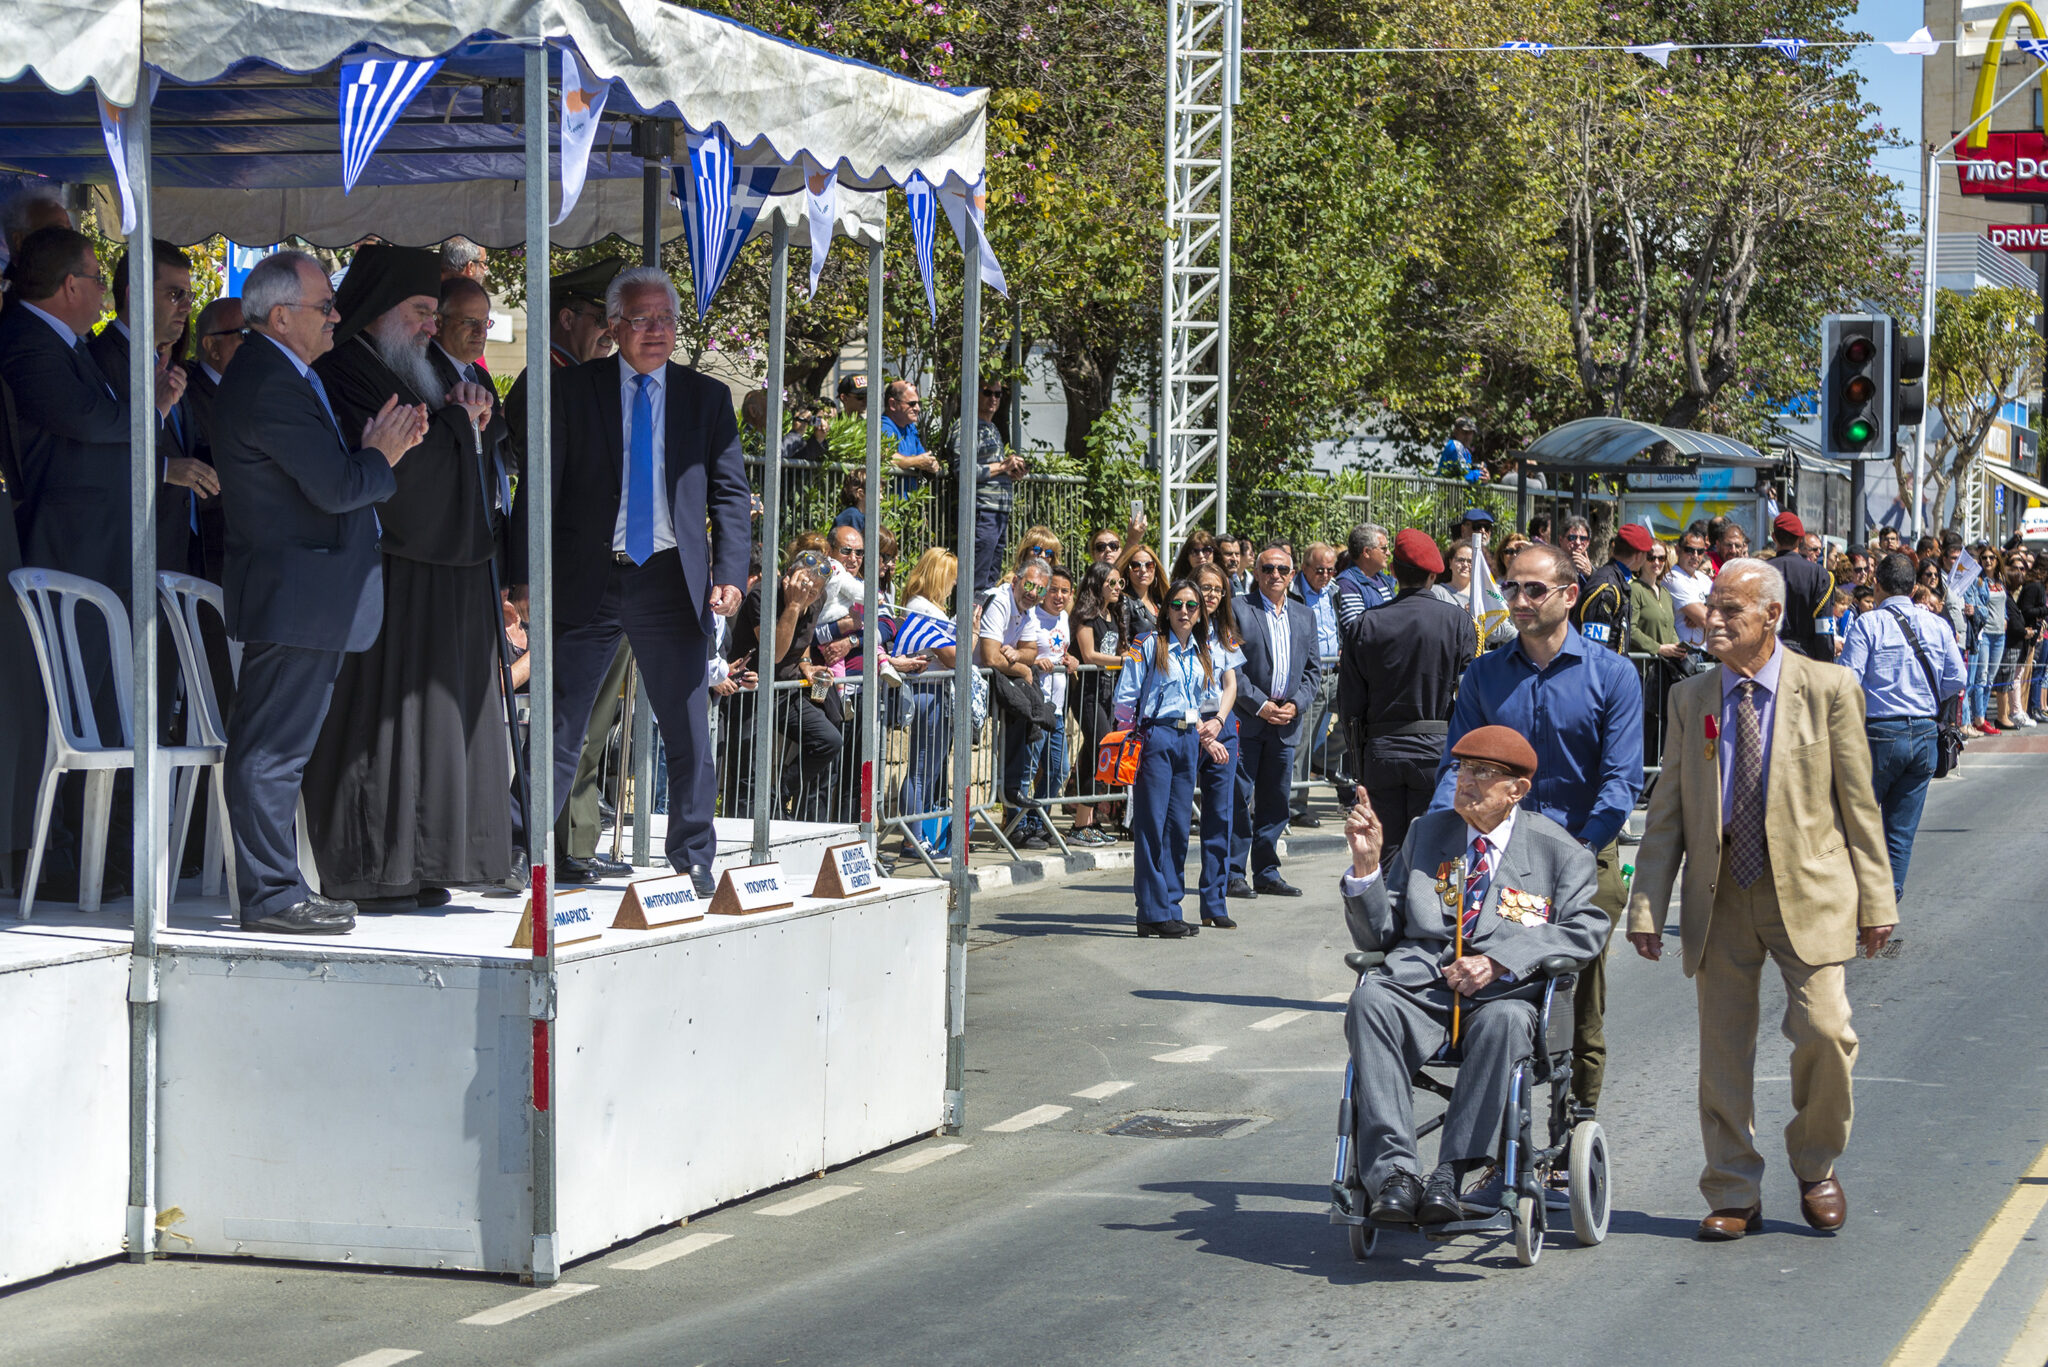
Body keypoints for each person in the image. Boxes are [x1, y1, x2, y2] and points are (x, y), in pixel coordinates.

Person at [1626, 558, 1896, 1240]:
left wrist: (1876, 900)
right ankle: (1733, 1188)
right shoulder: (1692, 699)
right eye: (1710, 608)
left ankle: (1815, 1160)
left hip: (1808, 890)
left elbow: (1859, 803)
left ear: (1771, 616)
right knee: (1722, 1051)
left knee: (1827, 1031)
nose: (1710, 620)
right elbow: (1667, 813)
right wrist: (1647, 904)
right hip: (1721, 896)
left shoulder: (1829, 687)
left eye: (1729, 612)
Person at [212, 249, 428, 933]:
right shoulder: (270, 382)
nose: (336, 315)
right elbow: (336, 487)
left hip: (308, 596)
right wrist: (380, 457)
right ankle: (273, 895)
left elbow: (328, 476)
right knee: (270, 752)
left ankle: (278, 887)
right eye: (324, 306)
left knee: (280, 749)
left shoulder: (280, 372)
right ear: (281, 317)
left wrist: (365, 455)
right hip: (294, 594)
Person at [530, 264, 750, 896]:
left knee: (686, 729)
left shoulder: (706, 398)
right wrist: (525, 577)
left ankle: (692, 854)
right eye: (641, 319)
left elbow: (730, 495)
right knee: (560, 723)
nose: (655, 331)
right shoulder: (573, 391)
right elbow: (541, 488)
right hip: (588, 578)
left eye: (666, 319)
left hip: (669, 582)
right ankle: (531, 849)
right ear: (614, 325)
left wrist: (731, 574)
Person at [300, 244, 508, 911]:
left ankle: (422, 863)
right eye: (421, 311)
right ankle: (369, 869)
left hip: (435, 579)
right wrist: (454, 422)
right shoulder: (342, 371)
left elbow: (428, 442)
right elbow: (393, 466)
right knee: (374, 731)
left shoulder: (417, 371)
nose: (430, 325)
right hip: (377, 579)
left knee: (428, 730)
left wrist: (463, 418)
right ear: (382, 309)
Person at [1339, 725, 1610, 1227]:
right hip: (1422, 991)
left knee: (1506, 1021)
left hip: (1500, 998)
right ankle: (1396, 1173)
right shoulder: (1428, 831)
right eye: (1463, 768)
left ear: (1517, 790)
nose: (1467, 781)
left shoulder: (1559, 852)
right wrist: (1367, 867)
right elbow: (1381, 936)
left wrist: (1501, 960)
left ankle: (1451, 1171)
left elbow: (1587, 927)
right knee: (1370, 1001)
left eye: (1484, 773)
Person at [0, 226, 184, 900]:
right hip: (58, 546)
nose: (107, 294)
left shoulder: (64, 341)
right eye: (99, 280)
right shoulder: (23, 338)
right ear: (71, 285)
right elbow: (89, 419)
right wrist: (153, 406)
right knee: (61, 714)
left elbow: (106, 419)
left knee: (101, 709)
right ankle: (48, 859)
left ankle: (89, 859)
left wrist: (140, 411)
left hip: (95, 551)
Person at [1433, 542, 1642, 1118]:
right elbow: (1458, 767)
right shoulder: (1484, 674)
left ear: (1569, 595)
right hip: (1498, 856)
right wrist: (1434, 838)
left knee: (1575, 989)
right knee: (1490, 977)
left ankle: (1576, 1114)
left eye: (1533, 590)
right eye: (1510, 589)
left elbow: (1620, 783)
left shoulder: (1614, 675)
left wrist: (1577, 852)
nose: (1518, 601)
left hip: (1584, 850)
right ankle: (1502, 1122)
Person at [1836, 551, 1966, 902]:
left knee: (1851, 821)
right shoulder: (1936, 624)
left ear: (1877, 584)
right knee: (1900, 832)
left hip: (1879, 733)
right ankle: (1884, 904)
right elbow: (1958, 678)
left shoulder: (1868, 623)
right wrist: (1926, 695)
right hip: (1924, 732)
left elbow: (1848, 681)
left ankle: (1850, 898)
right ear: (1913, 588)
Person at [1338, 530, 1474, 858]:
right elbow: (1470, 693)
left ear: (1394, 572)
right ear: (1433, 574)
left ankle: (1386, 910)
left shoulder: (1367, 624)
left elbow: (1350, 703)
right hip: (1436, 752)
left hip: (1381, 753)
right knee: (1432, 856)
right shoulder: (1457, 620)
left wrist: (1360, 758)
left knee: (1383, 855)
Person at [89, 239, 212, 581]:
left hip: (175, 555)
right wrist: (163, 469)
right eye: (175, 295)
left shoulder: (165, 359)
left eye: (189, 295)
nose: (187, 306)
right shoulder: (100, 362)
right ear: (136, 293)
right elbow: (90, 461)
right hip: (126, 563)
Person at [1114, 577, 1229, 938]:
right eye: (1177, 604)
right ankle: (1151, 910)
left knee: (1178, 826)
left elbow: (1204, 702)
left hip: (1187, 738)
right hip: (1156, 736)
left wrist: (1207, 736)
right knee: (1151, 825)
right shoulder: (1148, 644)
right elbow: (1124, 699)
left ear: (1199, 614)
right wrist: (1133, 738)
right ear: (1166, 610)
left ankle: (1170, 905)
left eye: (1191, 606)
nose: (1184, 611)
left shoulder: (1200, 650)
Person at [1229, 541, 1322, 898]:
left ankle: (1266, 872)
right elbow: (1232, 667)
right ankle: (1233, 872)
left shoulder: (1304, 614)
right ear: (1256, 573)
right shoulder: (1238, 609)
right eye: (1267, 569)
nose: (1275, 575)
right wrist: (1260, 704)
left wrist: (1296, 704)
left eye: (1282, 570)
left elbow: (1313, 671)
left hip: (1287, 721)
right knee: (1239, 797)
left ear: (1292, 575)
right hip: (1250, 719)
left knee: (1276, 800)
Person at [979, 559, 1051, 847]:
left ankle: (1012, 788)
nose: (1033, 593)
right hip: (973, 677)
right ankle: (1008, 789)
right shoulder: (1000, 601)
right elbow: (990, 658)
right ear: (1016, 582)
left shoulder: (1028, 610)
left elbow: (1032, 650)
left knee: (1027, 703)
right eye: (1029, 585)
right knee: (1023, 700)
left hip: (997, 676)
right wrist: (1021, 667)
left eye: (1040, 590)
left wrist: (1020, 658)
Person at [1192, 563, 1247, 927]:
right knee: (1177, 819)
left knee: (1220, 818)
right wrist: (1201, 728)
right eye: (1205, 588)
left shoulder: (1225, 632)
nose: (1211, 595)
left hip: (1220, 725)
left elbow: (1231, 684)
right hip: (1187, 726)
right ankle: (1164, 903)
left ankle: (1215, 904)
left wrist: (1218, 722)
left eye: (1217, 589)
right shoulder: (1178, 629)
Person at [1068, 561, 1132, 847]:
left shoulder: (1112, 614)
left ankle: (1088, 821)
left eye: (1120, 583)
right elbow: (1090, 655)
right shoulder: (1086, 616)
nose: (1118, 588)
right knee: (1099, 750)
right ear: (1097, 584)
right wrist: (1123, 661)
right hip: (1088, 693)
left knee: (1098, 754)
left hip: (1108, 692)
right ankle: (1081, 824)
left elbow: (1117, 650)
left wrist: (1129, 654)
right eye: (1112, 583)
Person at [183, 295, 246, 583]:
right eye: (244, 335)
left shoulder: (255, 390)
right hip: (209, 561)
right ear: (211, 346)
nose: (255, 345)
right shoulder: (186, 394)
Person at [949, 379, 1026, 593]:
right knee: (976, 578)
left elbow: (990, 470)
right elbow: (963, 471)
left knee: (991, 578)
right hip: (982, 512)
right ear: (974, 394)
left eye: (998, 394)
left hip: (999, 512)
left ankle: (982, 622)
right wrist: (1003, 466)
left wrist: (1011, 473)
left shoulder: (992, 428)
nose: (993, 398)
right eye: (987, 392)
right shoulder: (966, 426)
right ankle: (968, 622)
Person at [1290, 541, 1346, 822]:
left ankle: (1323, 759)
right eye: (1320, 570)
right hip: (1308, 675)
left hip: (1334, 672)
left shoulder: (1334, 592)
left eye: (1330, 570)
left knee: (1352, 721)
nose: (1325, 576)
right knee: (1301, 740)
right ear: (1305, 567)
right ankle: (1295, 806)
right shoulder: (1293, 593)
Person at [1630, 537, 1687, 768]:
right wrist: (1658, 648)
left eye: (1661, 558)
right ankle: (1641, 779)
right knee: (1645, 725)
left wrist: (1677, 647)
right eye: (1651, 557)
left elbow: (1669, 627)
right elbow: (1630, 629)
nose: (1656, 562)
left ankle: (1654, 780)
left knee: (1662, 723)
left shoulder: (1664, 593)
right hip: (1643, 671)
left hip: (1664, 670)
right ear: (1642, 559)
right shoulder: (1634, 590)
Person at [1767, 513, 1836, 659]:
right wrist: (1825, 663)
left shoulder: (1759, 570)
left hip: (1767, 655)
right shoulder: (1819, 575)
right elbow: (1824, 626)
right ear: (1800, 540)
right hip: (1805, 657)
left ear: (1774, 537)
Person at [1573, 523, 1648, 652]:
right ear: (1638, 555)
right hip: (1602, 670)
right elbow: (1594, 649)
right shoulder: (1607, 588)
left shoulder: (1617, 581)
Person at [1439, 540, 1514, 650]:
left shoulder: (1491, 593)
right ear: (1450, 563)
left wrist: (1483, 618)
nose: (1465, 564)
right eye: (1460, 560)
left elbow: (1505, 631)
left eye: (1470, 561)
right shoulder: (1438, 592)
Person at [880, 380, 942, 493]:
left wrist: (931, 464)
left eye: (919, 404)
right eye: (912, 404)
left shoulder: (910, 428)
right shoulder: (883, 426)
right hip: (888, 505)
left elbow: (922, 458)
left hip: (908, 506)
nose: (917, 408)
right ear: (893, 404)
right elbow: (885, 456)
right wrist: (914, 462)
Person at [1967, 552, 2005, 735]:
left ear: (1997, 560)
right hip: (1985, 633)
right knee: (1980, 678)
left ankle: (1981, 717)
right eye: (1984, 558)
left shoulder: (2000, 581)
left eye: (1991, 557)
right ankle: (1978, 718)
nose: (1988, 560)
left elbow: (2003, 605)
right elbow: (1979, 606)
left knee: (1990, 679)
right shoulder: (1979, 581)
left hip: (2000, 634)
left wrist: (2005, 618)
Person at [1333, 523, 1393, 626]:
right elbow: (1357, 630)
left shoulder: (1383, 580)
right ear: (1366, 552)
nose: (1388, 553)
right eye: (1383, 548)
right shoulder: (1347, 585)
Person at [1665, 525, 1715, 649]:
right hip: (1688, 655)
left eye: (1700, 551)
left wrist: (1704, 609)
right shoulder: (1672, 578)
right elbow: (1704, 619)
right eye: (1689, 550)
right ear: (1678, 550)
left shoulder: (1703, 578)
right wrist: (1705, 613)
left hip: (1708, 653)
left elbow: (1726, 607)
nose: (1695, 555)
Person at [1116, 540, 1165, 639]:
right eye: (1136, 566)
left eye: (1149, 565)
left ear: (1155, 569)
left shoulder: (1160, 601)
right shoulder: (1124, 601)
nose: (1143, 570)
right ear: (1127, 571)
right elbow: (1124, 644)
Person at [1437, 416, 1484, 484]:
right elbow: (1465, 475)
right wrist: (1480, 474)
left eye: (1470, 433)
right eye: (1465, 432)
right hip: (1447, 491)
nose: (1467, 436)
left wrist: (1484, 477)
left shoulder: (1466, 451)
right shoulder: (1455, 445)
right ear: (1455, 431)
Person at [1559, 516, 1594, 583]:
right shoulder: (1551, 565)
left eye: (1583, 538)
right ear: (1561, 540)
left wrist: (1591, 575)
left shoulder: (1593, 572)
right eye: (1572, 537)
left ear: (1588, 543)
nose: (1578, 542)